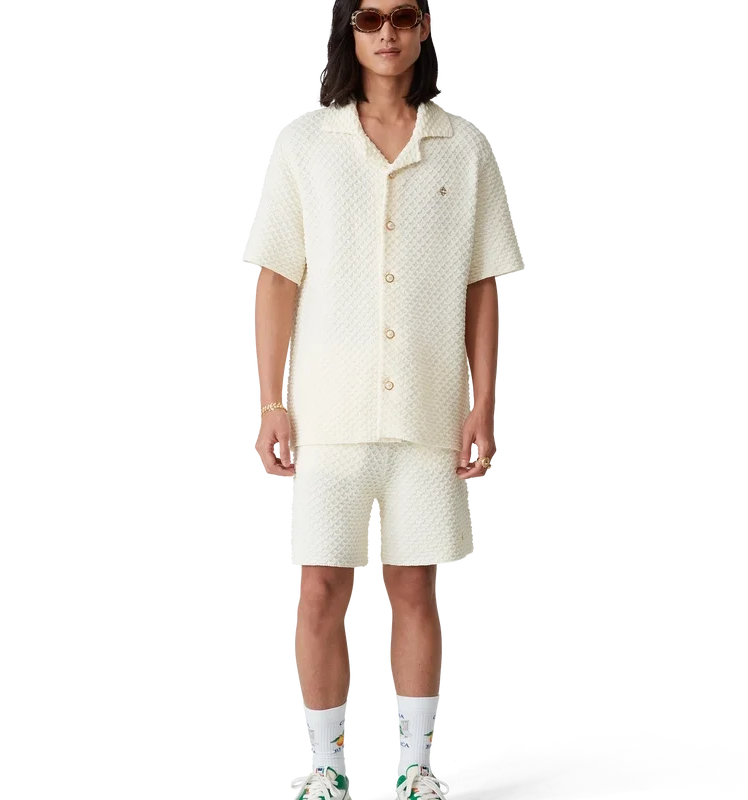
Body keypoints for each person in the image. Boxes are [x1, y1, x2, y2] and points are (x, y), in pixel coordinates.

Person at [248, 1, 524, 797]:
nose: (387, 33)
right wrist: (271, 403)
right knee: (318, 589)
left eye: (403, 16)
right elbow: (277, 277)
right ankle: (325, 768)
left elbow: (481, 284)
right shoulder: (304, 141)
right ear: (349, 31)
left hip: (431, 409)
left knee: (414, 589)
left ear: (423, 30)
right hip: (327, 412)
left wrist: (482, 404)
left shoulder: (465, 144)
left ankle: (415, 771)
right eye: (370, 18)